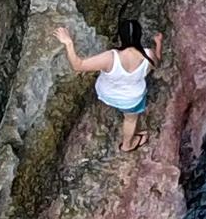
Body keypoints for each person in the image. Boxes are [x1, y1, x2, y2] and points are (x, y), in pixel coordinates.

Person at [55, 14, 158, 156]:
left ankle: (127, 136)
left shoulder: (111, 57)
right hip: (131, 100)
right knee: (130, 119)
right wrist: (159, 44)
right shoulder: (148, 55)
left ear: (121, 37)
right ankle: (127, 145)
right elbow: (156, 63)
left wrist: (68, 43)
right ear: (139, 36)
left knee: (125, 109)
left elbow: (78, 65)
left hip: (106, 95)